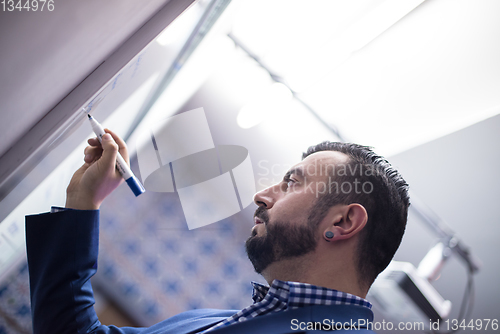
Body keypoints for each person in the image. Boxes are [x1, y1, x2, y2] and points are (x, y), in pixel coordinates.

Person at [25, 129, 410, 333]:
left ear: (342, 223)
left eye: (292, 183)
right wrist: (81, 202)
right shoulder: (208, 321)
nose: (262, 194)